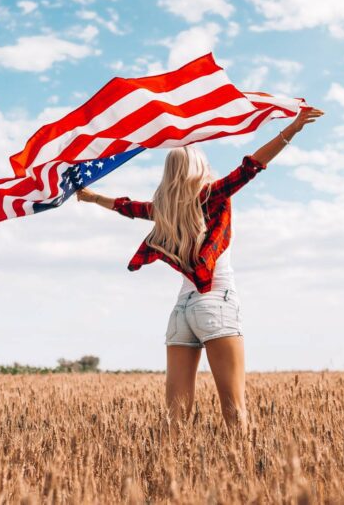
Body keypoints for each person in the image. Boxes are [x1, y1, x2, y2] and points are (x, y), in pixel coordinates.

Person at [76, 105, 324, 432]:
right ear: (199, 169)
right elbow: (252, 166)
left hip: (181, 313)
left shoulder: (164, 209)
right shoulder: (212, 196)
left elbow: (129, 208)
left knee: (175, 418)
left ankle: (170, 475)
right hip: (215, 303)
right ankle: (246, 476)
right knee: (235, 413)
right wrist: (292, 130)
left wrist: (92, 197)